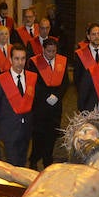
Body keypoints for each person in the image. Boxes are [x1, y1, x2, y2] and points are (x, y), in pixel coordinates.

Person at [0, 43, 36, 166]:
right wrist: (3, 126)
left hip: (26, 129)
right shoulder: (1, 79)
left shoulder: (31, 77)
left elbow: (34, 103)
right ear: (10, 60)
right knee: (12, 165)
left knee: (22, 162)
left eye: (22, 59)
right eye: (16, 58)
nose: (20, 62)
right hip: (9, 130)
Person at [28, 36, 67, 169]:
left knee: (52, 134)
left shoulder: (62, 61)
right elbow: (33, 82)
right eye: (48, 51)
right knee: (39, 135)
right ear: (43, 49)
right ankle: (34, 160)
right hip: (40, 105)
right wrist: (46, 96)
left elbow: (66, 81)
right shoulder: (34, 62)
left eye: (54, 51)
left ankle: (47, 160)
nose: (51, 54)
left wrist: (58, 95)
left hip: (56, 106)